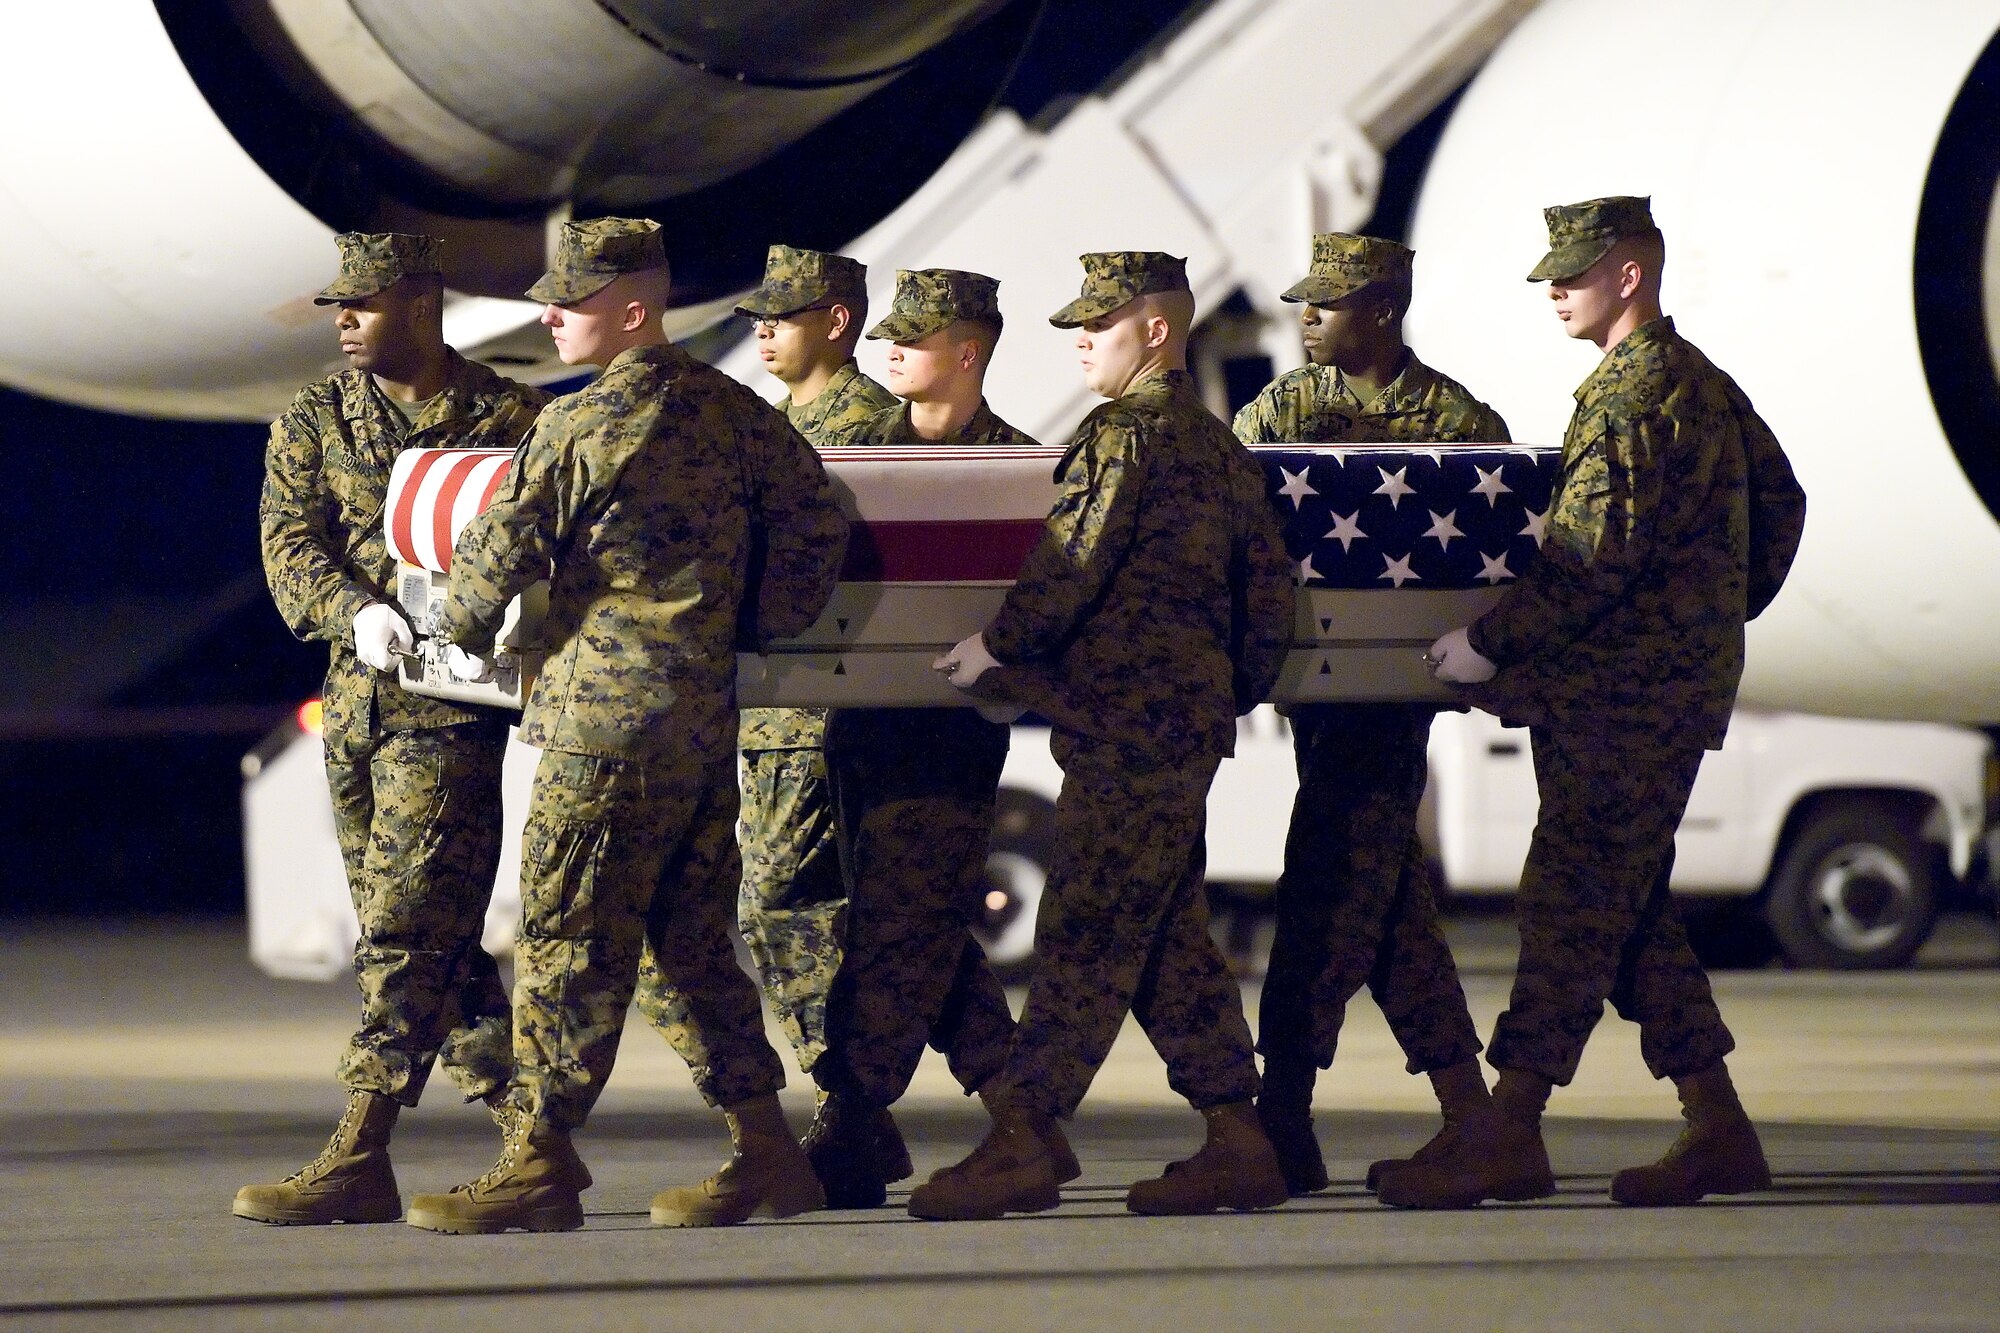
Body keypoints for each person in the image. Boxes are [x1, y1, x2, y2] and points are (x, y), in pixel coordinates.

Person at [405, 218, 849, 1233]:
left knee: (564, 938)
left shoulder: (580, 422)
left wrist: (453, 640)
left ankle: (536, 1157)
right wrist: (760, 623)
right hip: (700, 725)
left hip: (599, 731)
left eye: (571, 299)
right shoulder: (741, 414)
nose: (550, 315)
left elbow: (496, 550)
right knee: (686, 946)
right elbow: (815, 519)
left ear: (635, 309)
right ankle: (768, 1152)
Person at [1389, 196, 1807, 1209]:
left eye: (1571, 273)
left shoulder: (1630, 396)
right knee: (1622, 905)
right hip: (1651, 685)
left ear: (1628, 275)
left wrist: (1485, 645)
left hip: (1623, 698)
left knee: (1570, 896)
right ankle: (1716, 1124)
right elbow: (1779, 504)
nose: (1552, 289)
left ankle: (1509, 1128)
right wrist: (1709, 616)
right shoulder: (1701, 384)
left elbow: (1587, 558)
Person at [915, 252, 1294, 1220]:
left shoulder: (1119, 439)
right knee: (1166, 939)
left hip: (1123, 728)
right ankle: (1237, 1138)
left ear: (1156, 332)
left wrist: (995, 644)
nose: (1081, 338)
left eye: (1102, 322)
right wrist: (1220, 694)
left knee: (1081, 928)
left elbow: (1068, 564)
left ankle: (1024, 1136)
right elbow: (1268, 611)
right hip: (1186, 728)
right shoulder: (1223, 451)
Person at [237, 232, 548, 1227]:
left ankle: (360, 1145)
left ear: (420, 304)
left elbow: (547, 542)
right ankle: (532, 1135)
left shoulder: (505, 416)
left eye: (364, 304)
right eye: (339, 304)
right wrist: (346, 610)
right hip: (358, 706)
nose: (343, 321)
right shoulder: (315, 415)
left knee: (410, 927)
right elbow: (288, 543)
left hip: (452, 711)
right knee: (421, 931)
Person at [1232, 232, 1503, 1197]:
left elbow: (1503, 546)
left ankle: (1285, 1113)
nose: (1306, 316)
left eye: (1328, 303)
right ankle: (1466, 1111)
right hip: (1315, 693)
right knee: (1378, 894)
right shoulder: (1285, 409)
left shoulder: (1459, 421)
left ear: (1383, 311)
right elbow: (1226, 517)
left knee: (1328, 881)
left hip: (1397, 703)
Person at [805, 268, 1070, 1208]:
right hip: (857, 731)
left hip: (950, 740)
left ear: (969, 351)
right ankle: (1020, 1118)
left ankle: (851, 1113)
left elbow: (1047, 610)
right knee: (922, 927)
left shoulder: (1022, 473)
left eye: (914, 338)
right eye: (891, 335)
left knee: (897, 923)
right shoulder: (848, 455)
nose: (892, 351)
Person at [730, 245, 910, 1188]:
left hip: (831, 713)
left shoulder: (874, 429)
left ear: (837, 322)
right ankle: (978, 1102)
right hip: (767, 715)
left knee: (789, 912)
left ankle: (851, 1106)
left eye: (785, 314)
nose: (763, 326)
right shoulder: (762, 424)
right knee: (818, 918)